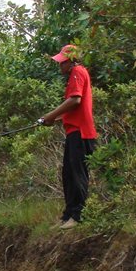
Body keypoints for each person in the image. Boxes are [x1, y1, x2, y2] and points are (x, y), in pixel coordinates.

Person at [38, 44, 98, 229]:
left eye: (62, 62)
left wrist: (51, 115)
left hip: (82, 132)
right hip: (74, 131)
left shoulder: (78, 72)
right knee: (68, 174)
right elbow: (74, 109)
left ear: (71, 60)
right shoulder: (75, 74)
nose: (60, 66)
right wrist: (52, 120)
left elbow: (75, 100)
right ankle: (68, 215)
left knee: (77, 174)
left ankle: (78, 216)